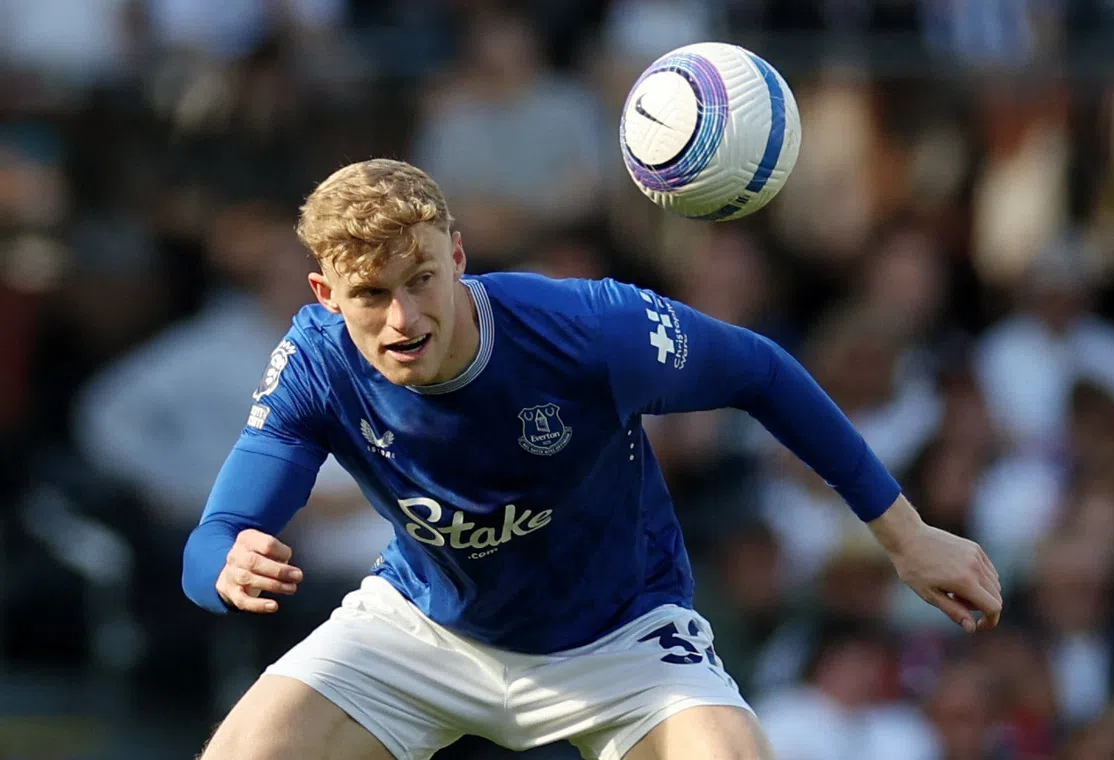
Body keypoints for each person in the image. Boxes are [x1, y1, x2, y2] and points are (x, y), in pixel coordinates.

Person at [181, 159, 1003, 760]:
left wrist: (905, 534)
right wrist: (225, 564)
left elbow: (759, 371)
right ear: (327, 296)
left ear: (458, 257)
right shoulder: (317, 363)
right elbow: (216, 534)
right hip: (424, 628)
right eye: (369, 295)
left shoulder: (587, 332)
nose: (403, 317)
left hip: (621, 635)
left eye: (421, 279)